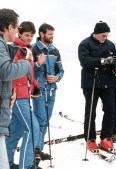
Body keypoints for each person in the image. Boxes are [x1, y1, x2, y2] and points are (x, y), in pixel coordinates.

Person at [5, 21, 45, 169]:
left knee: (15, 132)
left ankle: (6, 162)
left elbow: (29, 72)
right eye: (26, 35)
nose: (29, 38)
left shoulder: (28, 49)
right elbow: (11, 71)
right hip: (18, 97)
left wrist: (35, 86)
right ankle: (26, 165)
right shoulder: (14, 48)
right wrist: (13, 92)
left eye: (31, 36)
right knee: (33, 129)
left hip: (25, 95)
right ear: (19, 33)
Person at [78, 21, 116, 151]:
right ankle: (90, 138)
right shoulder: (85, 43)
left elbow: (114, 59)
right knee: (91, 111)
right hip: (91, 82)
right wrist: (103, 61)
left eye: (107, 35)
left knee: (110, 109)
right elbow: (84, 61)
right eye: (103, 35)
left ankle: (106, 137)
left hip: (108, 82)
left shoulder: (110, 45)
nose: (105, 37)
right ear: (96, 33)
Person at [0, 8, 32, 169]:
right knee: (32, 129)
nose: (18, 31)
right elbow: (6, 70)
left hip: (9, 102)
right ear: (10, 27)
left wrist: (7, 92)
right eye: (18, 28)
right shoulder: (1, 45)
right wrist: (26, 63)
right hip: (16, 99)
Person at [32, 23, 64, 161]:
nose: (52, 37)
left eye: (53, 34)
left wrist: (57, 78)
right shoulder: (33, 49)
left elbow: (61, 70)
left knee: (45, 121)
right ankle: (35, 149)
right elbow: (29, 70)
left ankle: (39, 149)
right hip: (39, 90)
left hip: (52, 90)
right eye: (49, 34)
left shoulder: (55, 51)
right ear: (41, 34)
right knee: (41, 119)